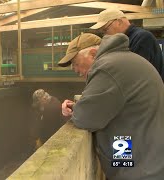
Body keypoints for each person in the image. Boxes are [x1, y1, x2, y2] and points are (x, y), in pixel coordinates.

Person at [58, 33, 164, 180]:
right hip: (143, 157)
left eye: (75, 63)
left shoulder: (107, 68)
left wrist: (78, 110)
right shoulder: (121, 61)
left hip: (141, 171)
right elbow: (105, 105)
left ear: (93, 54)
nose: (75, 70)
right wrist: (77, 107)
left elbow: (86, 118)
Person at [90, 8, 164, 81]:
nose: (105, 36)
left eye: (106, 30)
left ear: (119, 22)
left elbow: (134, 73)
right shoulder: (123, 41)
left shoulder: (141, 38)